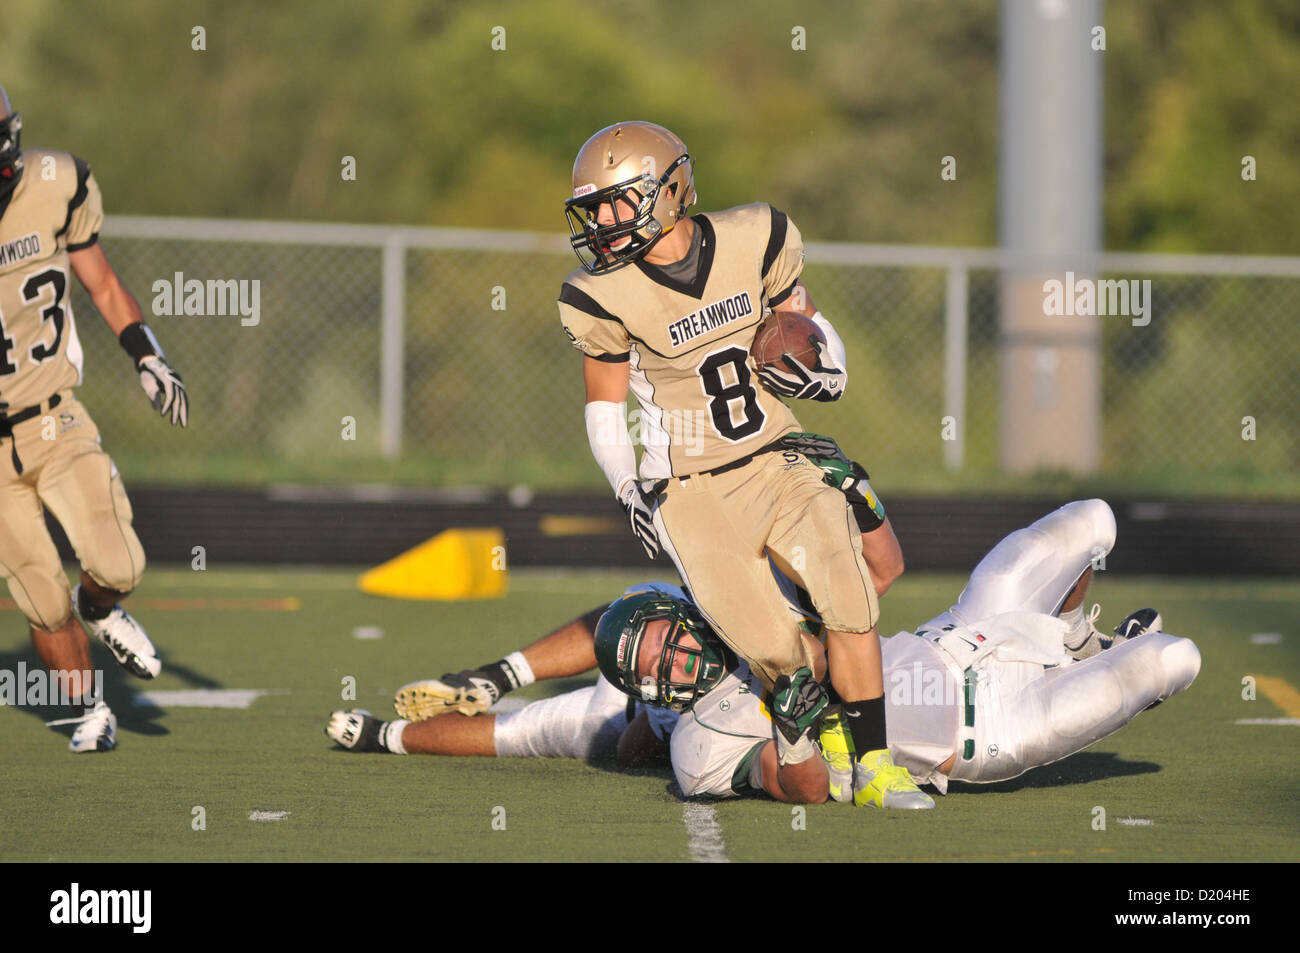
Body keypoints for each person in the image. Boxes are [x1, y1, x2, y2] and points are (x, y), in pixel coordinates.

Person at [327, 500, 1201, 805]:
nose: (672, 659)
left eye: (673, 638)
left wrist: (495, 672)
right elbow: (803, 787)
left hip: (960, 629)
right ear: (641, 696)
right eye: (653, 669)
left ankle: (1077, 638)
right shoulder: (693, 741)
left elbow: (880, 569)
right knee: (1176, 659)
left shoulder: (737, 610)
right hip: (989, 727)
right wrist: (386, 738)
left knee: (1093, 520)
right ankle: (1091, 661)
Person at [556, 120, 917, 807]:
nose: (600, 221)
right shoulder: (599, 294)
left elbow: (808, 325)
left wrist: (828, 373)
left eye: (614, 201)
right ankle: (813, 739)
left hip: (775, 452)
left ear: (668, 190)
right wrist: (628, 484)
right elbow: (604, 408)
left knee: (848, 593)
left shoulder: (757, 236)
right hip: (689, 485)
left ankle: (879, 764)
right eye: (593, 207)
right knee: (767, 643)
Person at [0, 86, 189, 752]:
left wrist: (148, 355)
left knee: (119, 562)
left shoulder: (55, 185)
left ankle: (101, 607)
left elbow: (101, 282)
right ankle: (89, 710)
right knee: (40, 602)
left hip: (55, 418)